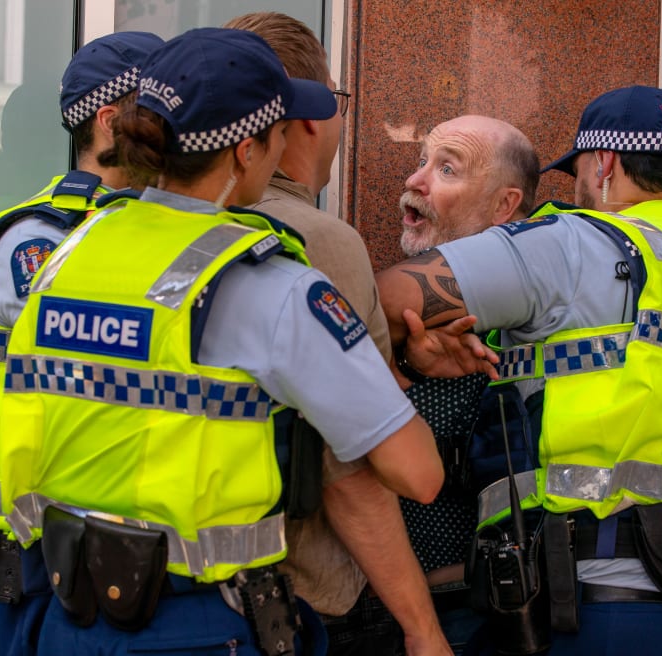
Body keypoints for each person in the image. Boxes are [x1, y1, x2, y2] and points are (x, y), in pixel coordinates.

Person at [0, 28, 444, 656]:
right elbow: (417, 474)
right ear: (246, 151)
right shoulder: (267, 284)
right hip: (200, 624)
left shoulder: (66, 253)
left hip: (70, 617)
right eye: (279, 130)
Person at [376, 85, 662, 656]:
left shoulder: (574, 244)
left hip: (602, 617)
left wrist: (403, 358)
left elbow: (383, 298)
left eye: (576, 168)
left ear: (604, 164)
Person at [222, 12, 449, 656]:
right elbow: (356, 473)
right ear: (308, 119)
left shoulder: (124, 235)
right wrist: (422, 628)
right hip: (290, 609)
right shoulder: (316, 240)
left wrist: (403, 360)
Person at [0, 31, 165, 656]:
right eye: (159, 104)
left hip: (103, 564)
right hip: (31, 567)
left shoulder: (135, 230)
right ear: (108, 119)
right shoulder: (40, 241)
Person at [395, 114, 539, 655]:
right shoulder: (400, 306)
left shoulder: (534, 321)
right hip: (378, 612)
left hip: (477, 617)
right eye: (423, 161)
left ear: (505, 205)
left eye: (447, 168)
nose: (416, 180)